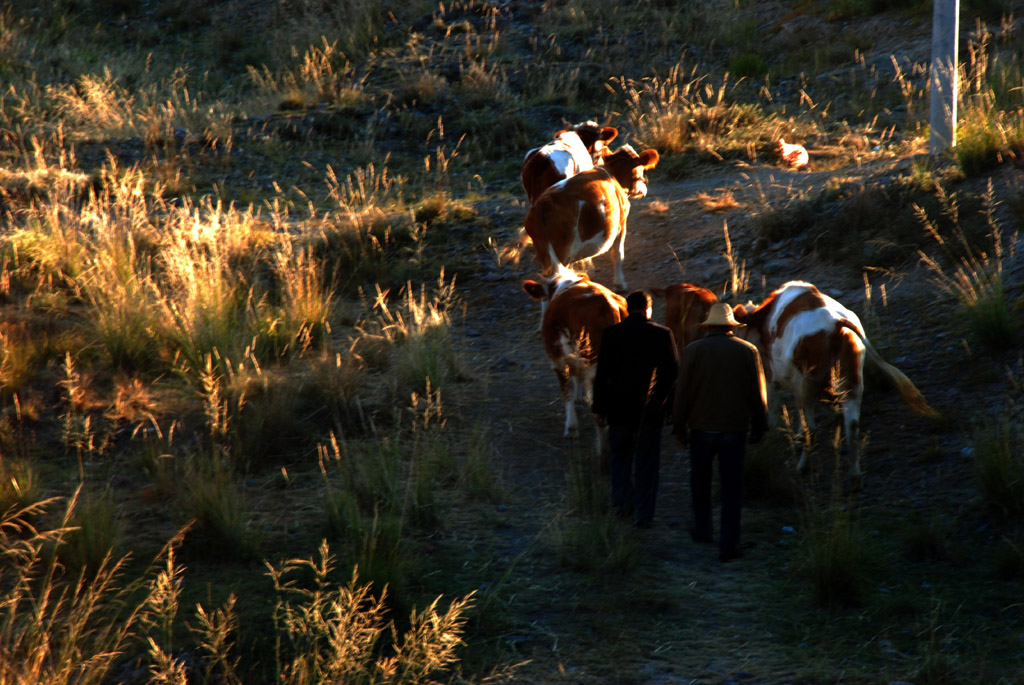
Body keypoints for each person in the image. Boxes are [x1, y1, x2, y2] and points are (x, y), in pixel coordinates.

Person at [672, 302, 768, 561]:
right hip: (734, 429)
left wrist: (678, 425)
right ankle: (729, 544)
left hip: (701, 429)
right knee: (731, 488)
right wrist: (760, 424)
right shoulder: (748, 351)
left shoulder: (693, 350)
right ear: (730, 327)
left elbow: (682, 394)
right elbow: (758, 395)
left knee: (700, 482)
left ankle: (703, 530)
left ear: (709, 326)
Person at [592, 290, 679, 528]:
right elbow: (671, 374)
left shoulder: (611, 334)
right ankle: (644, 515)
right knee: (646, 463)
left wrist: (599, 408)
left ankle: (622, 506)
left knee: (620, 459)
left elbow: (602, 375)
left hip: (618, 410)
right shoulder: (662, 334)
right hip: (650, 413)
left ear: (628, 309)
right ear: (648, 308)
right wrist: (662, 405)